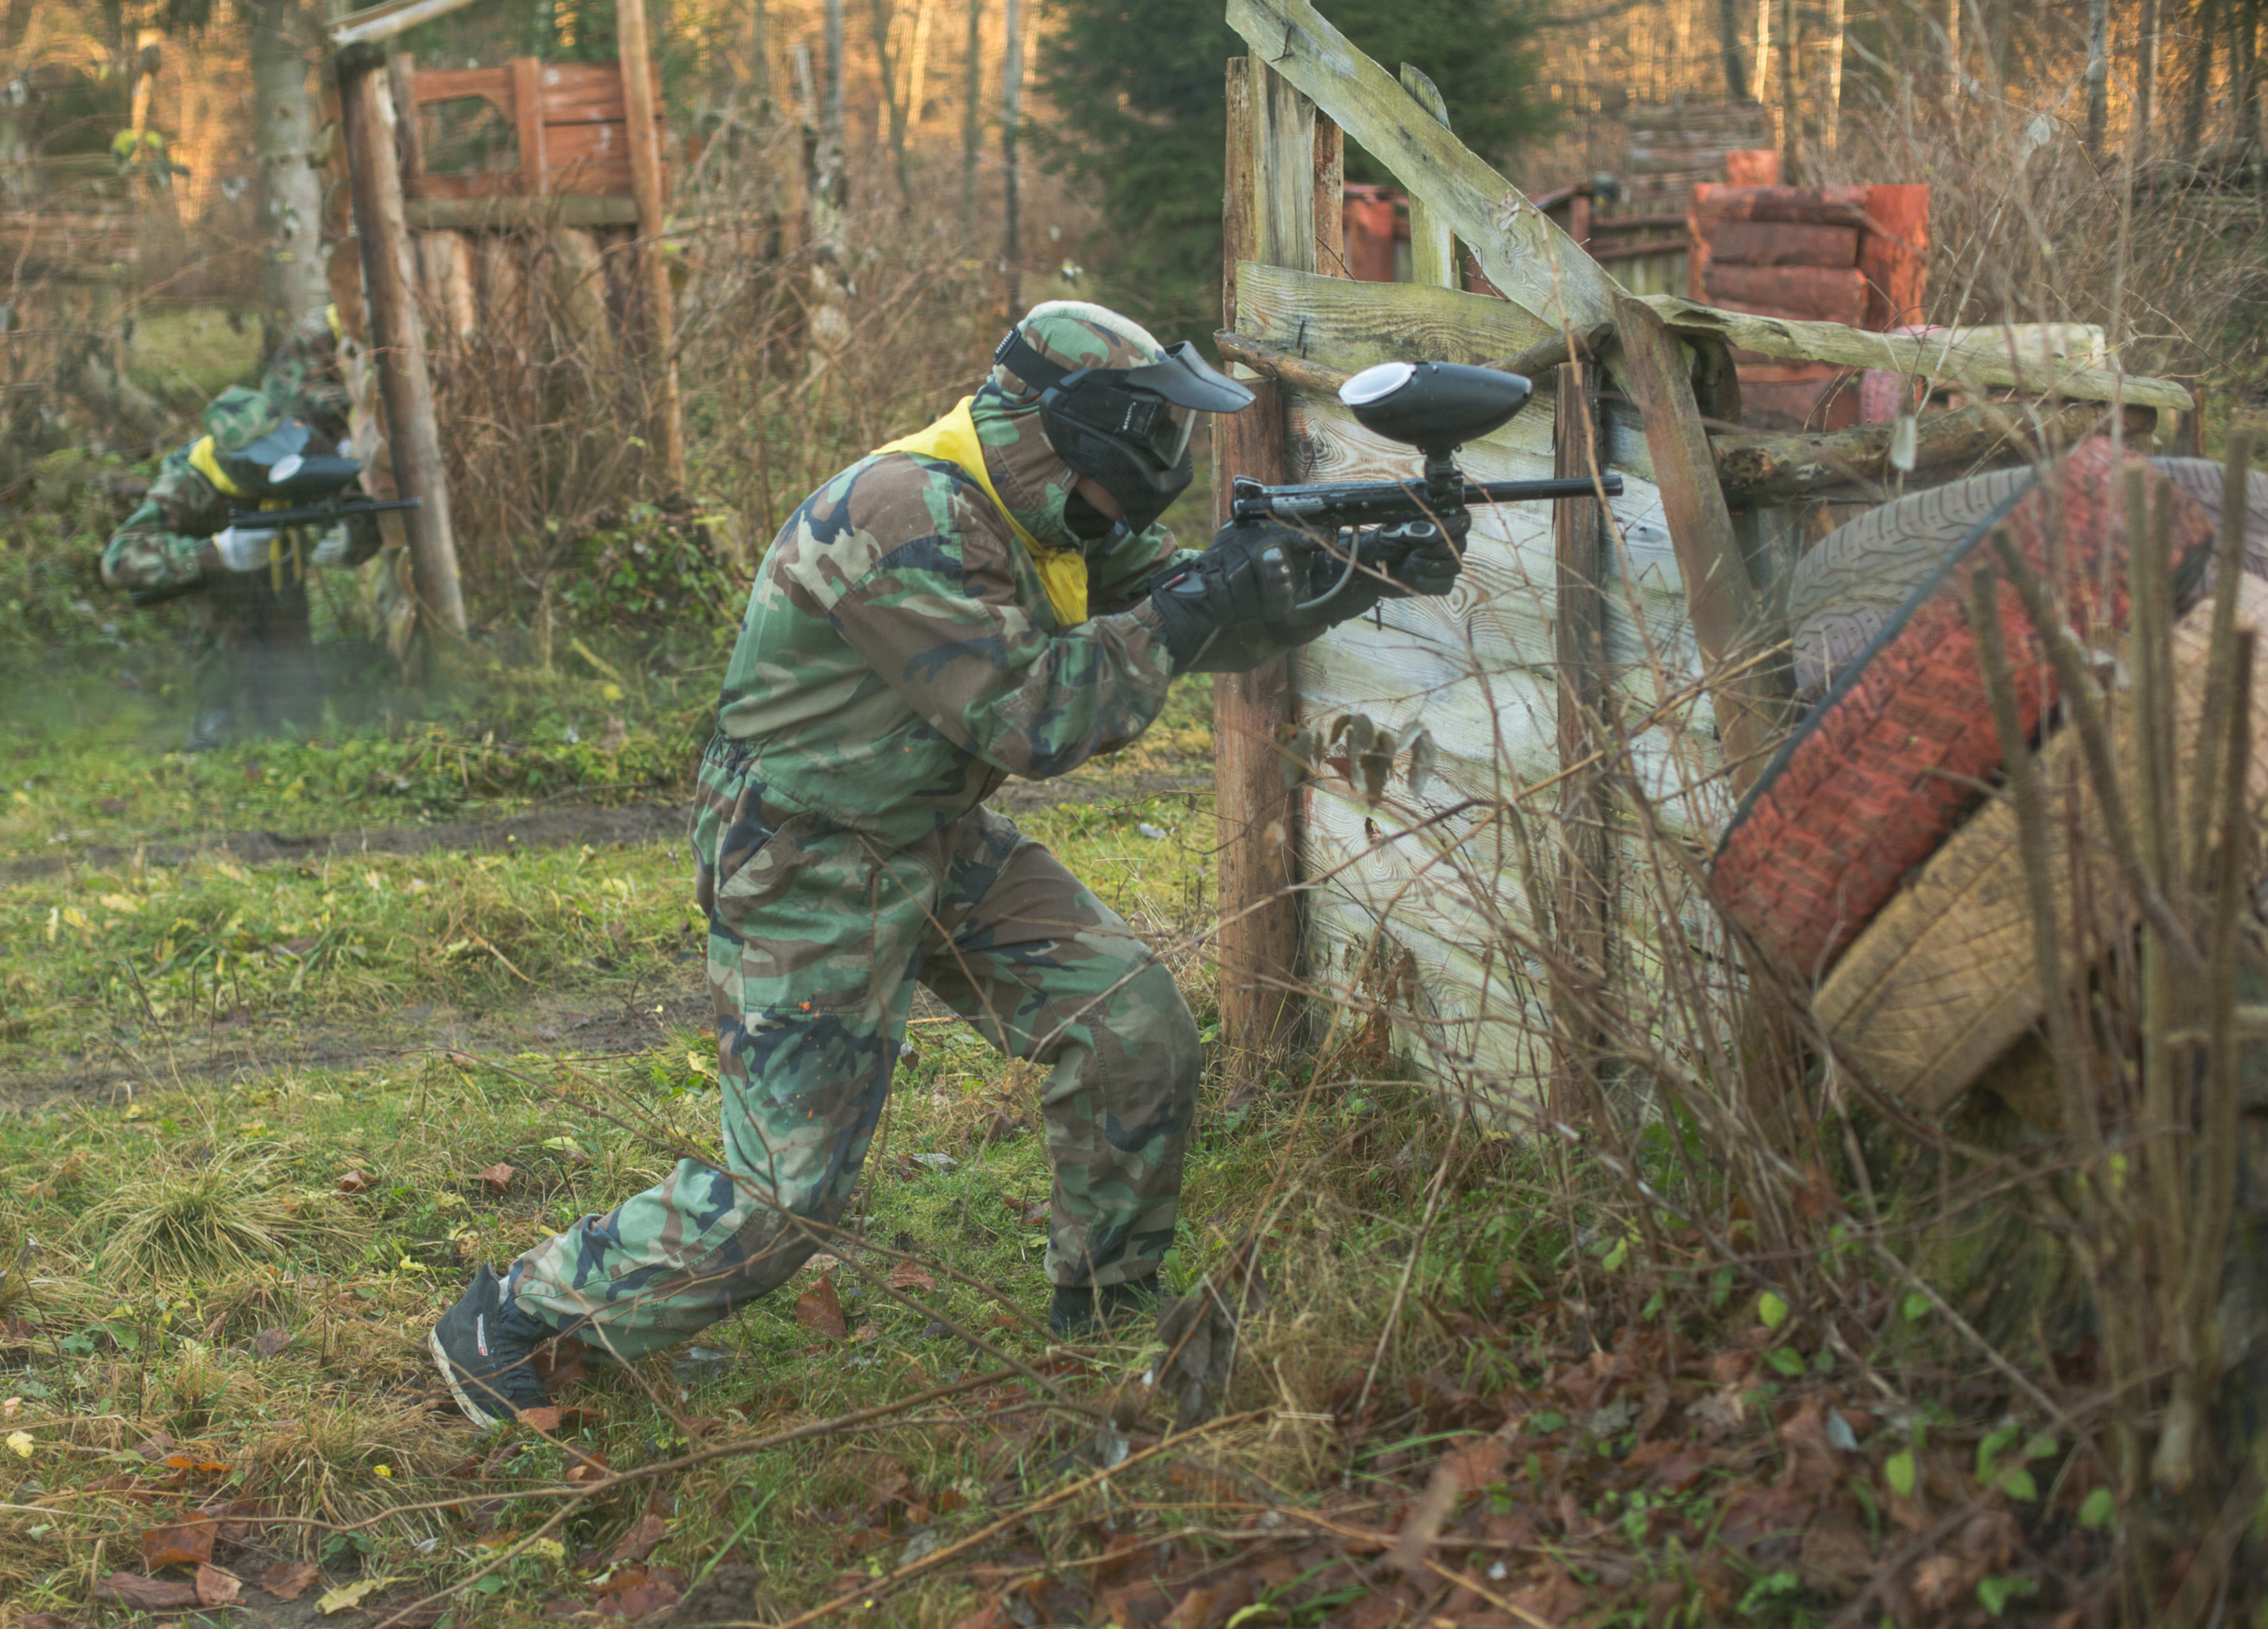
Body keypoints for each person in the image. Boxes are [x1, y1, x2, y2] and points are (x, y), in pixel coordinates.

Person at [426, 301, 1466, 1425]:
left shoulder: (1044, 503)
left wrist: (1337, 574)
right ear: (1083, 424)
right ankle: (517, 1318)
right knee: (787, 1202)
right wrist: (1194, 602)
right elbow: (1036, 716)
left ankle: (1105, 1315)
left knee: (1129, 1027)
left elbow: (1180, 609)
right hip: (803, 853)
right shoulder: (902, 516)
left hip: (928, 826)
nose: (1165, 459)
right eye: (1154, 431)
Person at [101, 385, 377, 750]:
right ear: (235, 460)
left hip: (289, 617)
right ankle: (218, 715)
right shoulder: (189, 478)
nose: (280, 460)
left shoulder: (304, 445)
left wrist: (349, 539)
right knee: (221, 725)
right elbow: (118, 560)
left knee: (298, 726)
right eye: (264, 458)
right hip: (222, 624)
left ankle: (294, 720)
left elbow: (360, 513)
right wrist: (216, 553)